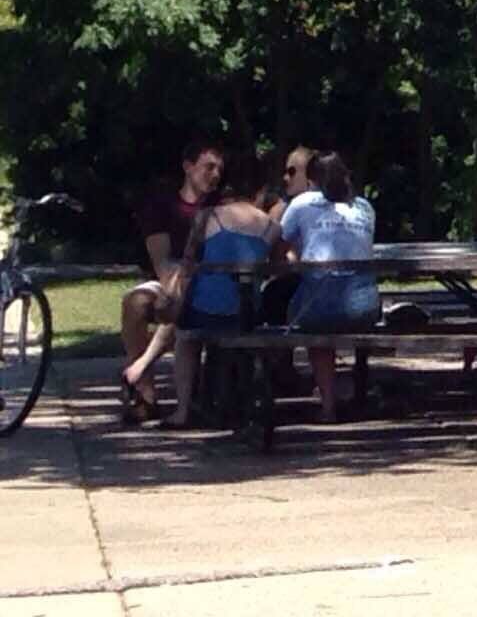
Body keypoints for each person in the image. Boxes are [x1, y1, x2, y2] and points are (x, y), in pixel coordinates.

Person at [124, 165, 284, 428]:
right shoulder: (272, 227)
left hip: (205, 313)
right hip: (246, 314)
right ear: (259, 191)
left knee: (185, 336)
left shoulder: (208, 217)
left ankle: (183, 410)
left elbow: (188, 263)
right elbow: (277, 266)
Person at [119, 141, 222, 422]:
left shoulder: (221, 207)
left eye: (219, 170)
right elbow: (161, 260)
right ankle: (145, 394)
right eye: (208, 167)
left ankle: (143, 370)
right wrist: (172, 287)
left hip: (210, 282)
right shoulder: (163, 207)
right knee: (135, 302)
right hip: (169, 279)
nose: (214, 175)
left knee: (184, 297)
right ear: (188, 168)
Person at [278, 151, 379, 419]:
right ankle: (351, 394)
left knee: (311, 320)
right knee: (328, 305)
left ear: (312, 181)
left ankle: (328, 406)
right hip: (366, 307)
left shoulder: (301, 203)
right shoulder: (365, 207)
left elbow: (277, 248)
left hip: (319, 305)